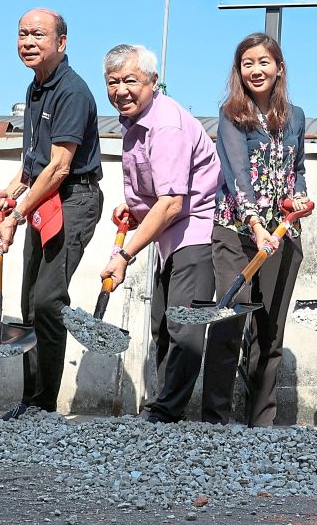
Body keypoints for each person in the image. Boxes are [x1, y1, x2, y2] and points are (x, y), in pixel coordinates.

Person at [99, 44, 220, 424]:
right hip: (169, 237)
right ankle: (162, 410)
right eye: (113, 82)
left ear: (153, 81)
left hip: (194, 234)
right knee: (164, 326)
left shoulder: (166, 125)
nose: (121, 90)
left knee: (183, 328)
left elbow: (170, 203)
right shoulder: (136, 121)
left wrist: (123, 255)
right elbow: (155, 198)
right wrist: (135, 213)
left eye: (131, 80)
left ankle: (165, 414)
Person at [0, 8, 103, 419]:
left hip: (73, 199)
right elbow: (35, 161)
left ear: (62, 42)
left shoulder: (72, 91)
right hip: (43, 199)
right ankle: (30, 399)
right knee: (27, 303)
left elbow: (59, 167)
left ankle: (43, 405)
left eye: (38, 34)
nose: (28, 42)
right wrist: (12, 188)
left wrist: (16, 214)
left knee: (49, 299)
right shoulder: (34, 88)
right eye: (22, 34)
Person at [209, 33, 309, 427]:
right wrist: (254, 224)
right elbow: (236, 175)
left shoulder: (296, 116)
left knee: (271, 330)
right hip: (237, 232)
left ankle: (261, 423)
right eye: (247, 63)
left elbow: (296, 170)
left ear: (279, 68)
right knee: (230, 318)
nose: (256, 70)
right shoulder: (231, 114)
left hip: (281, 235)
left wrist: (299, 197)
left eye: (263, 61)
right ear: (239, 71)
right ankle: (216, 418)